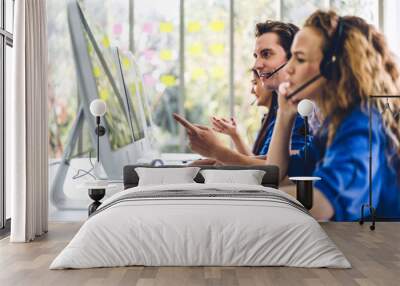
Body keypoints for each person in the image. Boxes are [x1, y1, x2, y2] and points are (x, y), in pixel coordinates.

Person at [266, 10, 400, 221]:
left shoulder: (362, 121)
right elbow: (276, 175)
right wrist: (285, 114)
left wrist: (252, 201)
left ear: (332, 68)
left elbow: (321, 204)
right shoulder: (335, 123)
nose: (288, 69)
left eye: (299, 59)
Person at [185, 20, 310, 165]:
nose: (256, 65)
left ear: (293, 58)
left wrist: (217, 151)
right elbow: (274, 162)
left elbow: (284, 170)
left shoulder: (303, 111)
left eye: (266, 54)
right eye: (256, 56)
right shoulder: (284, 109)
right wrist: (216, 159)